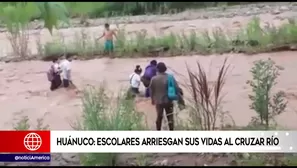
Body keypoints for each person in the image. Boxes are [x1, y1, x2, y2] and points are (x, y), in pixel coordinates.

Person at [149, 62, 183, 131]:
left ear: (157, 69)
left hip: (159, 102)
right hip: (169, 100)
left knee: (159, 117)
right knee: (170, 116)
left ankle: (158, 130)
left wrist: (152, 100)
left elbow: (151, 90)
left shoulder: (154, 79)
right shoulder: (170, 77)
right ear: (165, 69)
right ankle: (171, 131)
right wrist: (180, 98)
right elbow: (176, 88)